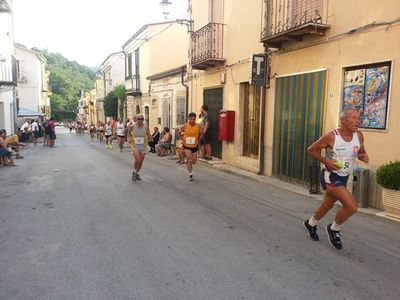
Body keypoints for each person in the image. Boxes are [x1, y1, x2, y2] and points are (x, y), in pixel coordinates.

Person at [304, 109, 369, 250]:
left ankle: (311, 223)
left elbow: (360, 151)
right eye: (354, 118)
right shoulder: (332, 136)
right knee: (351, 207)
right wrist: (325, 162)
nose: (358, 121)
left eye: (359, 118)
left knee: (327, 205)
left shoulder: (359, 135)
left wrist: (363, 156)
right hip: (330, 176)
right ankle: (334, 228)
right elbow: (311, 149)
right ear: (343, 120)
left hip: (344, 176)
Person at [179, 112, 203, 181]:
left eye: (194, 119)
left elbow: (202, 133)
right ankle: (190, 174)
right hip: (187, 145)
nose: (192, 120)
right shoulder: (185, 126)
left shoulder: (198, 126)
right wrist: (182, 139)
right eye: (191, 119)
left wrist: (198, 139)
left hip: (194, 145)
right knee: (189, 159)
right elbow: (179, 133)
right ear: (188, 118)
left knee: (194, 161)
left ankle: (188, 162)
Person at [128, 114, 151, 181]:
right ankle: (135, 173)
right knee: (138, 159)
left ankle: (135, 173)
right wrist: (129, 138)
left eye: (142, 119)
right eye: (139, 119)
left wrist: (150, 138)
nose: (141, 120)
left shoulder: (146, 127)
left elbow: (148, 134)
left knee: (141, 162)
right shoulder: (132, 126)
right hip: (135, 145)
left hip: (143, 145)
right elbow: (128, 132)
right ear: (136, 119)